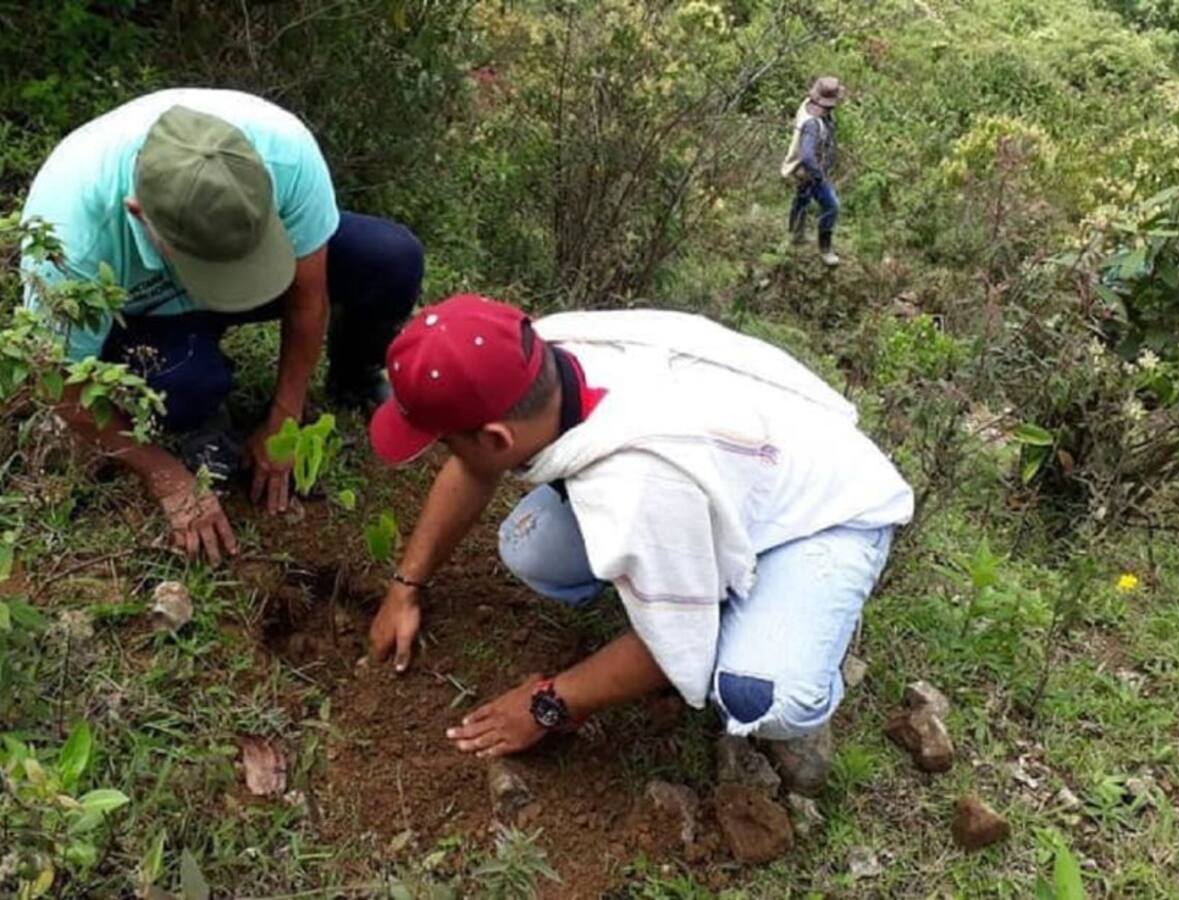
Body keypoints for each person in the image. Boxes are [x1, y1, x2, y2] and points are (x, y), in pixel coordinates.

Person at [366, 295, 913, 786]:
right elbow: (475, 464)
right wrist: (405, 586)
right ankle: (700, 577)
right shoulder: (539, 359)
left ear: (495, 438)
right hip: (742, 461)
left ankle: (788, 621)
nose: (444, 455)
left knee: (761, 699)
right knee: (530, 546)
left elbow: (669, 644)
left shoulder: (638, 487)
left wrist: (549, 705)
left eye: (444, 443)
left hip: (820, 514)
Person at [20, 88, 424, 564]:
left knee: (391, 259)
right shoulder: (71, 239)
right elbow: (57, 381)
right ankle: (197, 408)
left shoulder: (285, 154)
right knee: (185, 382)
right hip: (146, 312)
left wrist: (286, 414)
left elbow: (306, 298)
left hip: (235, 263)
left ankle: (353, 378)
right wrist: (162, 473)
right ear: (138, 212)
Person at [780, 76, 845, 266]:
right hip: (809, 172)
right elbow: (808, 155)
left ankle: (795, 235)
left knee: (802, 199)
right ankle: (825, 248)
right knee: (832, 206)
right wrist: (820, 176)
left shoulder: (807, 107)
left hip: (800, 170)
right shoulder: (813, 124)